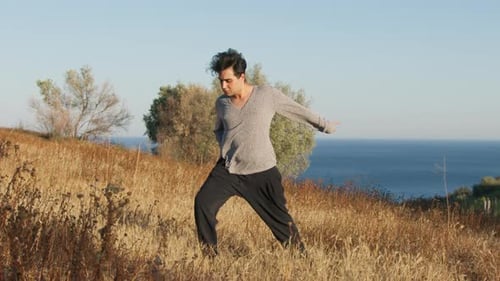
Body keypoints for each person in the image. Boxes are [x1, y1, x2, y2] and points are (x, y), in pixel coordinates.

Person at [194, 48, 339, 257]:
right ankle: (209, 257)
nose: (223, 86)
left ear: (241, 77)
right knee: (202, 203)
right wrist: (226, 149)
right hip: (228, 170)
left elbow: (297, 110)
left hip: (262, 172)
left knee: (282, 224)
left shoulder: (266, 95)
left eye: (228, 80)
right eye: (220, 81)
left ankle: (303, 261)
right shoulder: (222, 103)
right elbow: (219, 129)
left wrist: (325, 126)